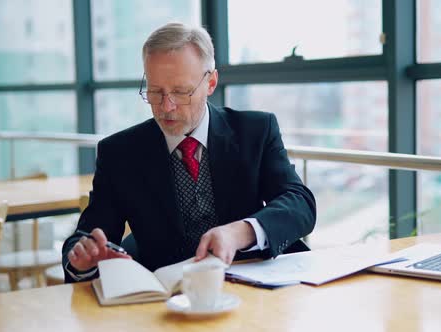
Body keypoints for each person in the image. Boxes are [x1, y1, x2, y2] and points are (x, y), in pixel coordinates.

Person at [61, 22, 316, 282]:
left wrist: (239, 232)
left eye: (181, 92)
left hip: (256, 290)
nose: (166, 106)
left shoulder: (255, 131)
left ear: (211, 82)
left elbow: (299, 203)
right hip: (164, 303)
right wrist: (83, 260)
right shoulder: (119, 153)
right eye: (155, 91)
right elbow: (88, 237)